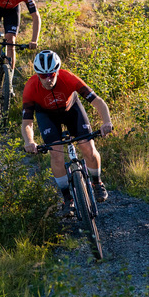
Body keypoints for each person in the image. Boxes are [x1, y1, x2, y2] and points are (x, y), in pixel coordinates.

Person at [21, 50, 113, 215]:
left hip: (72, 110)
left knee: (88, 148)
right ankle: (67, 198)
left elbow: (98, 101)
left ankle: (97, 182)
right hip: (47, 116)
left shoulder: (69, 78)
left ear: (57, 71)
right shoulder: (30, 88)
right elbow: (27, 123)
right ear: (37, 74)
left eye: (51, 73)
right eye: (43, 76)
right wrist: (29, 142)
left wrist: (107, 122)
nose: (48, 79)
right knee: (56, 154)